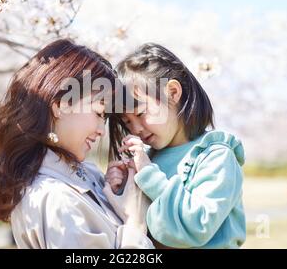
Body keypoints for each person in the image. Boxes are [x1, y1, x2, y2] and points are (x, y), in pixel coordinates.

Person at [0, 39, 153, 249]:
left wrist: (112, 196)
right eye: (98, 112)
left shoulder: (81, 176)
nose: (101, 130)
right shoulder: (58, 200)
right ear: (61, 105)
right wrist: (135, 223)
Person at [105, 43, 246, 248]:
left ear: (172, 92)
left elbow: (196, 227)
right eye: (126, 122)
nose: (136, 129)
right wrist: (120, 189)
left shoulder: (215, 157)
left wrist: (148, 175)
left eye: (140, 113)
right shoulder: (148, 159)